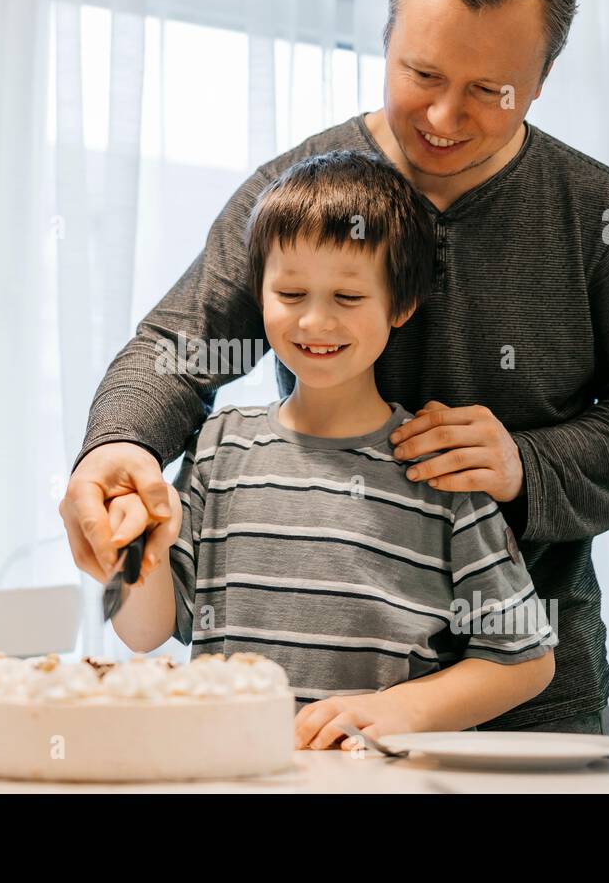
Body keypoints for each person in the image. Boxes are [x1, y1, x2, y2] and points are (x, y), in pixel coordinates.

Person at [60, 0, 609, 736]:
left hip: (530, 709)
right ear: (386, 39)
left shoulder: (596, 211)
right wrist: (115, 448)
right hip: (314, 718)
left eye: (490, 89)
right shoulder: (295, 193)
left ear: (542, 82)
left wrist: (528, 464)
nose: (444, 116)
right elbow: (175, 349)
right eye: (422, 73)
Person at [98, 151, 557, 750]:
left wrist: (405, 711)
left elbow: (523, 658)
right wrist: (135, 549)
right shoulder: (219, 448)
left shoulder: (438, 466)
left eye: (347, 297)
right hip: (231, 772)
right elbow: (146, 630)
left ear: (399, 306)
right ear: (258, 294)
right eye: (290, 292)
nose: (315, 322)